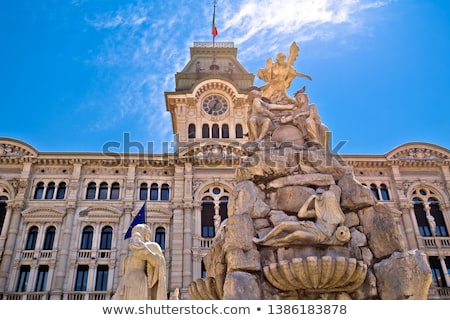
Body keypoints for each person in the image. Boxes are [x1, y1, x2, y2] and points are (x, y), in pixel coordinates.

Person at [254, 190, 346, 247]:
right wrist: (309, 199)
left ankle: (275, 242)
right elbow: (301, 214)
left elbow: (343, 234)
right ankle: (264, 239)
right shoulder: (319, 212)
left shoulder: (340, 217)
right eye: (326, 199)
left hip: (320, 237)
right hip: (311, 227)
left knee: (297, 234)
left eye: (330, 199)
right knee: (283, 225)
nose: (328, 201)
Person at [112, 224, 167, 300]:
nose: (135, 233)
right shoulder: (130, 255)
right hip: (125, 284)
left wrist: (145, 250)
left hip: (138, 281)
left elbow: (159, 263)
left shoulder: (151, 246)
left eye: (138, 230)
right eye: (134, 231)